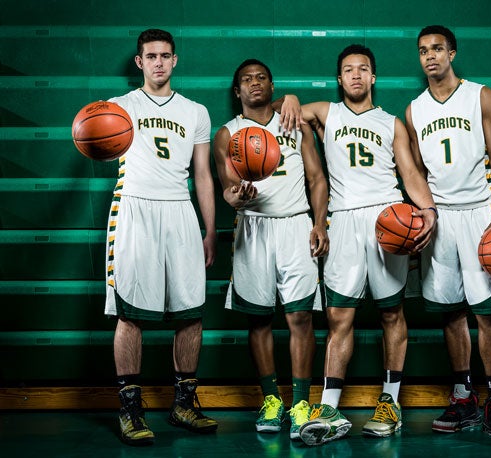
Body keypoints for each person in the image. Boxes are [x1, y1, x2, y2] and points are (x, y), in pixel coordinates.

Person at [280, 44, 438, 446]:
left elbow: (409, 172)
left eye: (362, 69)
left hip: (388, 219)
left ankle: (390, 403)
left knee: (391, 314)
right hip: (344, 219)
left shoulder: (391, 122)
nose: (355, 75)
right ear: (339, 79)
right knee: (339, 318)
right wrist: (293, 98)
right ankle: (330, 408)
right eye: (348, 70)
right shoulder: (326, 113)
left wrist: (429, 210)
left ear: (373, 77)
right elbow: (291, 107)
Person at [405, 25, 491, 445]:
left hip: (481, 214)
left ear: (452, 53)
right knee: (450, 310)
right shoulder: (414, 109)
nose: (430, 56)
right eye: (423, 51)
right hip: (440, 218)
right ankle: (464, 397)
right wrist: (424, 216)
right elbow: (417, 172)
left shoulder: (480, 95)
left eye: (438, 49)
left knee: (487, 312)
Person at [104, 28, 218, 446]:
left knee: (191, 312)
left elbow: (203, 175)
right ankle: (130, 410)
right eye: (150, 56)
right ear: (139, 62)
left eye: (165, 56)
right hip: (134, 207)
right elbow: (93, 140)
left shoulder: (196, 112)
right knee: (130, 312)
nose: (158, 63)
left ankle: (184, 403)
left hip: (180, 210)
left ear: (175, 60)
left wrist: (209, 230)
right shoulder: (118, 108)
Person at [213, 59, 329, 440]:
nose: (254, 83)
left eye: (261, 77)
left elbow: (317, 178)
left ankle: (299, 403)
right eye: (246, 79)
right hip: (253, 228)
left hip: (296, 224)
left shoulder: (294, 123)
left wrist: (318, 222)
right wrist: (237, 195)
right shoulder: (228, 133)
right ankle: (271, 400)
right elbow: (228, 187)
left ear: (272, 85)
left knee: (300, 319)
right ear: (237, 91)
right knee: (259, 319)